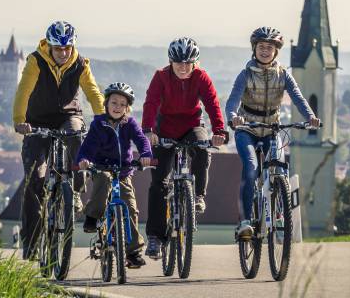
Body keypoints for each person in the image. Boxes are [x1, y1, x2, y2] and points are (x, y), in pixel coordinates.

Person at [13, 20, 105, 260]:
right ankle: (32, 245)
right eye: (58, 49)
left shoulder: (80, 63)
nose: (63, 53)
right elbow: (23, 90)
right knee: (34, 181)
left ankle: (75, 191)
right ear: (50, 46)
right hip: (37, 120)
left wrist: (104, 119)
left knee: (76, 135)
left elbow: (93, 92)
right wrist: (20, 120)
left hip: (68, 115)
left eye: (67, 48)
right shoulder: (36, 61)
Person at [225, 27, 320, 239]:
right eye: (261, 47)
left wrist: (310, 116)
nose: (265, 51)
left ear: (276, 51)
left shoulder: (283, 75)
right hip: (246, 129)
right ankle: (245, 222)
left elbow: (298, 97)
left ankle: (278, 207)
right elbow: (232, 100)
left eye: (269, 47)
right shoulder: (246, 75)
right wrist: (233, 116)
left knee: (279, 165)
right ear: (254, 49)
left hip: (271, 129)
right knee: (251, 167)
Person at [142, 37, 227, 259]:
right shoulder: (161, 77)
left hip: (191, 126)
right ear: (170, 62)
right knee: (159, 184)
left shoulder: (201, 77)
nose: (182, 67)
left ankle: (198, 195)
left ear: (195, 62)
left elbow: (212, 103)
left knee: (202, 147)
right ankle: (155, 237)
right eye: (178, 62)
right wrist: (148, 130)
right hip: (165, 129)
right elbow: (151, 103)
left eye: (187, 62)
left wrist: (219, 130)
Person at [76, 82, 152, 269]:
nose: (117, 107)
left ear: (127, 108)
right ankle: (92, 217)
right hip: (102, 168)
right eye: (114, 103)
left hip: (124, 172)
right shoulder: (98, 124)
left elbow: (141, 140)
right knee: (104, 180)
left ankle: (133, 251)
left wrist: (146, 154)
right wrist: (84, 159)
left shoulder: (130, 124)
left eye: (122, 104)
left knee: (131, 208)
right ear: (106, 104)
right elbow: (87, 146)